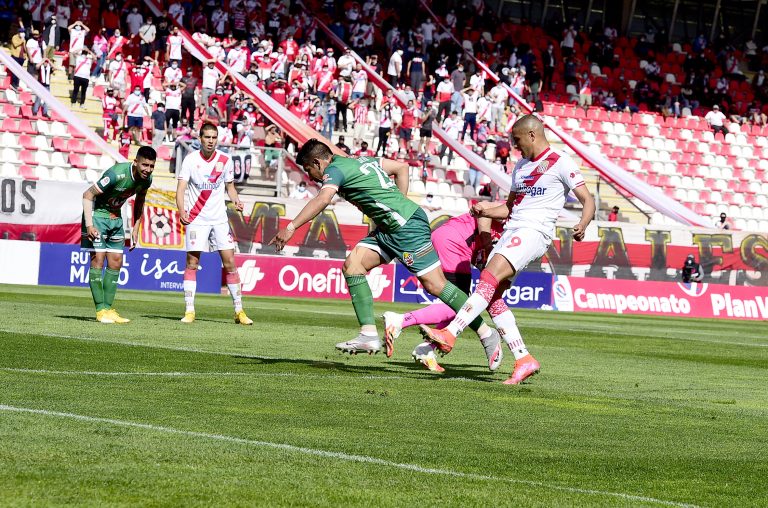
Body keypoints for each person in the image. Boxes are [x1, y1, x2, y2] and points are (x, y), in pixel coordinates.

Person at [269, 139, 500, 356]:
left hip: (405, 228)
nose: (311, 176)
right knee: (353, 266)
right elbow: (401, 167)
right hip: (390, 228)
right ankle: (368, 335)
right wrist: (397, 201)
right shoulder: (361, 160)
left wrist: (290, 227)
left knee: (436, 285)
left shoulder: (334, 171)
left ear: (318, 162)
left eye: (309, 169)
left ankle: (486, 334)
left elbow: (322, 199)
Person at [420, 115, 596, 385]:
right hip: (513, 230)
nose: (516, 146)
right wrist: (486, 211)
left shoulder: (561, 162)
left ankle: (450, 333)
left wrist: (582, 223)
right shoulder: (522, 167)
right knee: (492, 298)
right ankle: (524, 359)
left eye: (517, 140)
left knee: (488, 277)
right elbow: (511, 208)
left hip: (533, 232)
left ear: (533, 135)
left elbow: (587, 200)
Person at [383, 211, 506, 372]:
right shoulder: (515, 211)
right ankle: (401, 320)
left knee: (459, 305)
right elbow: (487, 210)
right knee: (460, 305)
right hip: (454, 241)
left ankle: (427, 348)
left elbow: (482, 259)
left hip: (447, 238)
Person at [175, 123, 253, 326]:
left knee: (230, 263)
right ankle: (189, 310)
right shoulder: (190, 160)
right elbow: (181, 189)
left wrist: (236, 200)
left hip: (219, 219)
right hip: (196, 219)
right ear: (200, 138)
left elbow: (230, 187)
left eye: (214, 137)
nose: (210, 141)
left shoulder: (225, 160)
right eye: (207, 137)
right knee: (192, 263)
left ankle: (239, 311)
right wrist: (182, 211)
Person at [81, 146, 156, 323]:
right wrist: (89, 224)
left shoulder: (147, 180)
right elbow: (87, 194)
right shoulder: (116, 174)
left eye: (152, 166)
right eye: (145, 165)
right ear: (135, 162)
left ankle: (108, 309)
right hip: (97, 216)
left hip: (116, 219)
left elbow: (140, 202)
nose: (148, 170)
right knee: (98, 260)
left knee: (116, 262)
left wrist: (136, 228)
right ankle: (100, 310)